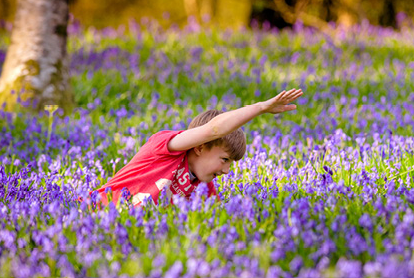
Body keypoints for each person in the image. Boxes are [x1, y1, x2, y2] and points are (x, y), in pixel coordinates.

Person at [93, 89, 304, 207]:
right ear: (200, 147)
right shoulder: (164, 149)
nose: (227, 171)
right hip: (92, 210)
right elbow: (214, 130)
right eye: (225, 159)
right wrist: (259, 108)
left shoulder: (205, 189)